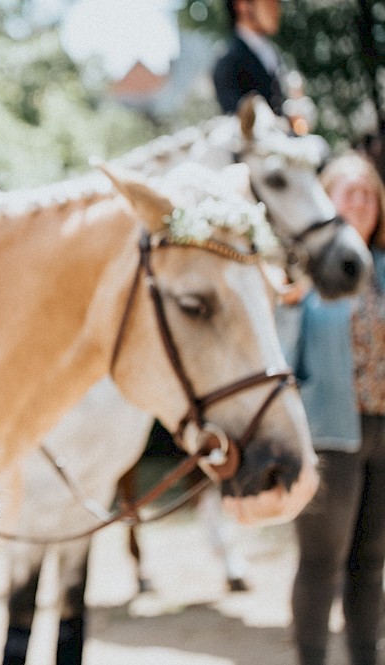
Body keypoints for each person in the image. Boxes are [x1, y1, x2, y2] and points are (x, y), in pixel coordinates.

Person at [288, 151, 385, 665]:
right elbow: (282, 360)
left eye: (369, 193)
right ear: (326, 199)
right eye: (350, 191)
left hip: (382, 433)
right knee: (322, 562)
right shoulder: (303, 279)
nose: (361, 201)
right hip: (329, 436)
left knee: (370, 563)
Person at [212, 0, 286, 115]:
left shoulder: (270, 51)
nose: (277, 9)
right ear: (242, 5)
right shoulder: (228, 61)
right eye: (269, 3)